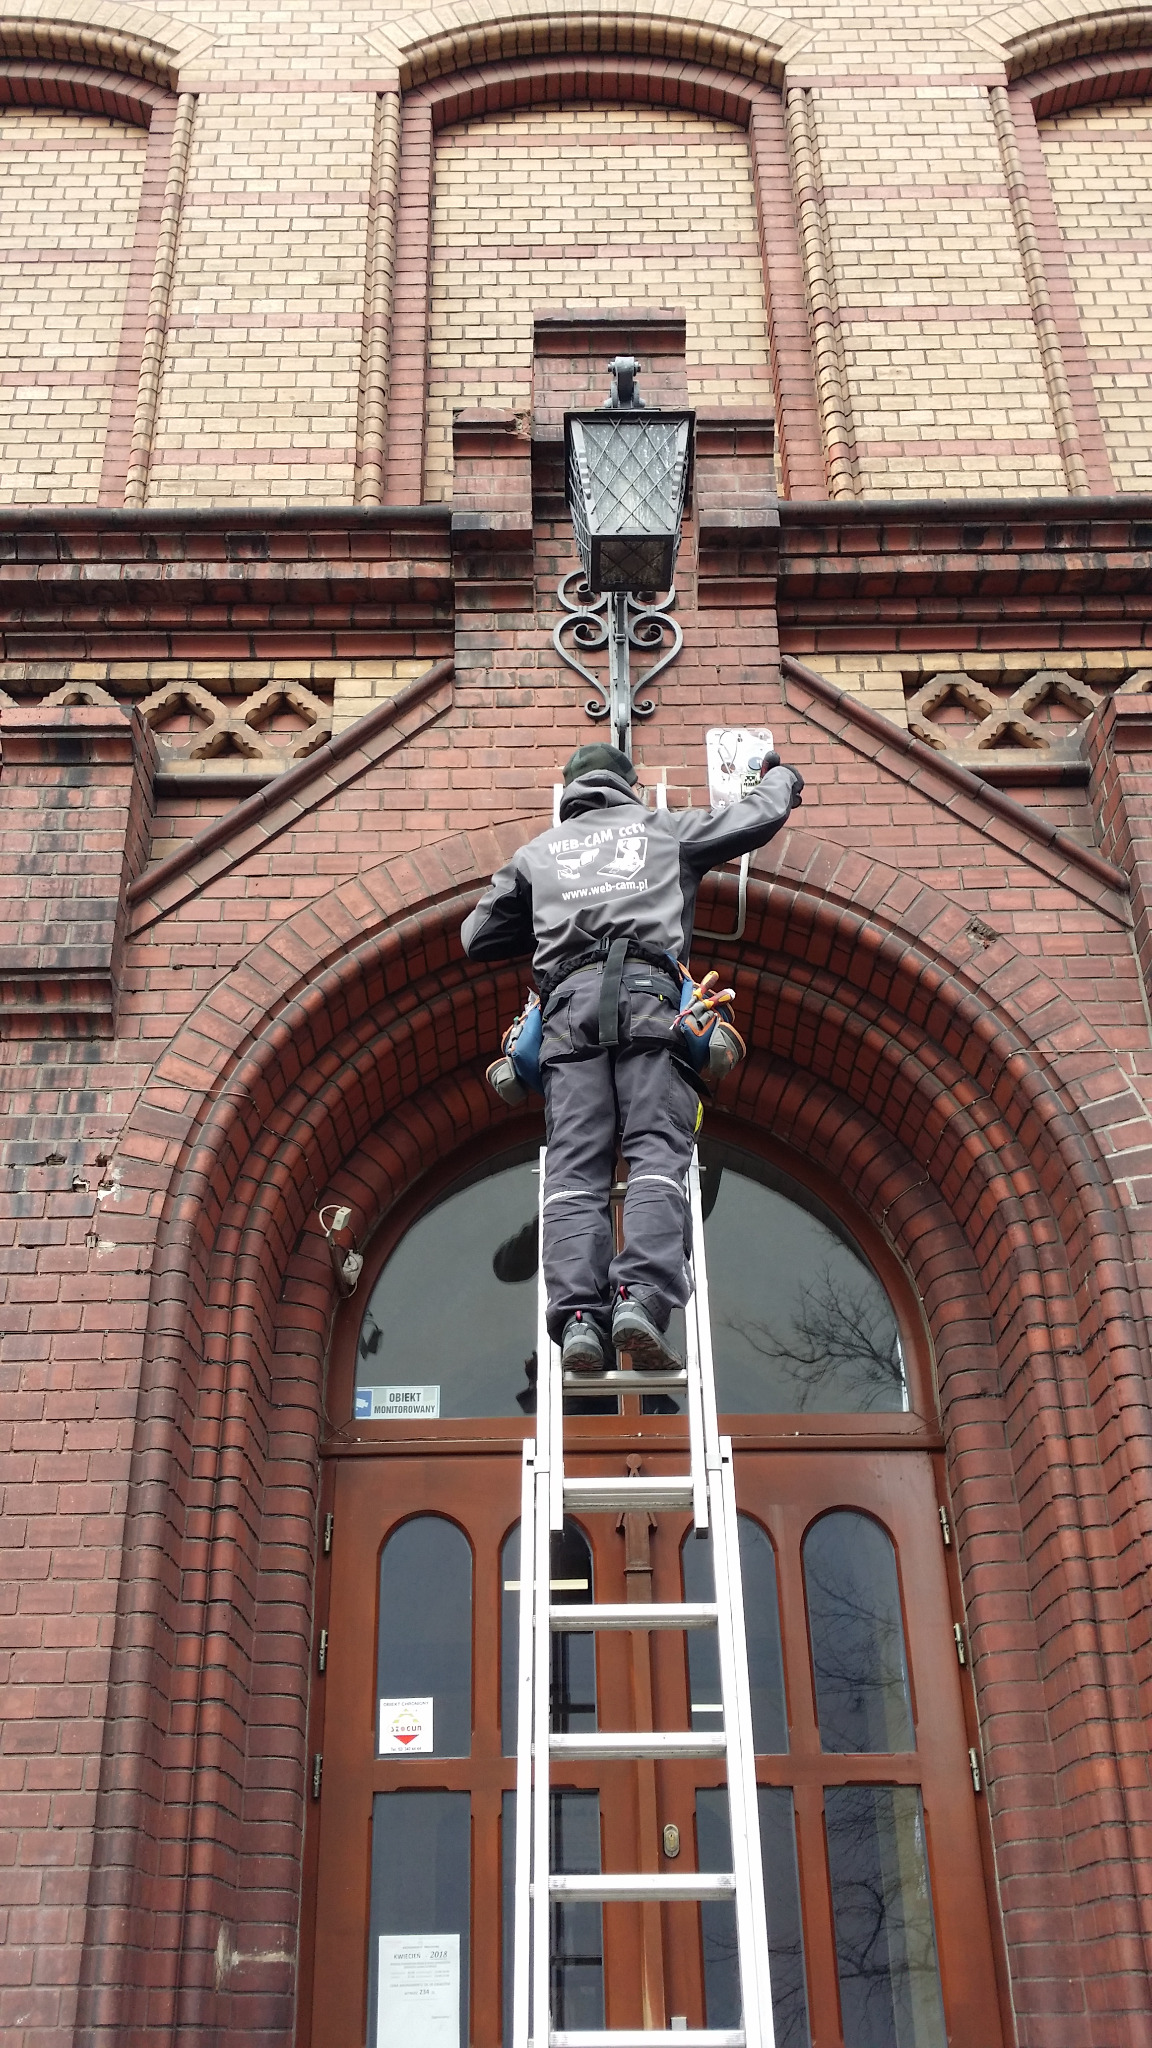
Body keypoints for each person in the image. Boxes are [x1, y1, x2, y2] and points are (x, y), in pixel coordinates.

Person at [460, 742, 805, 1373]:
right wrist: (779, 777)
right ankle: (639, 1301)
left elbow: (477, 935)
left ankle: (580, 1319)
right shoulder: (663, 830)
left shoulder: (536, 854)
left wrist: (551, 914)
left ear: (568, 790)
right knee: (653, 1151)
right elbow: (755, 819)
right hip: (650, 1004)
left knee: (574, 1168)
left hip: (567, 1013)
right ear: (631, 786)